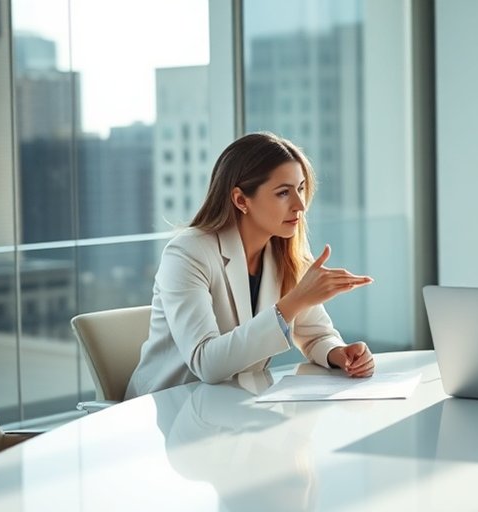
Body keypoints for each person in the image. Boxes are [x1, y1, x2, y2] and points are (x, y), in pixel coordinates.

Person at [126, 132, 374, 399]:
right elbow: (205, 363)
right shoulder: (187, 253)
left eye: (301, 188)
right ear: (241, 200)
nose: (299, 205)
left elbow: (315, 335)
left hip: (232, 409)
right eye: (283, 193)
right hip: (170, 410)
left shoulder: (284, 251)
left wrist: (340, 354)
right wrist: (295, 301)